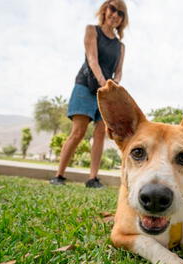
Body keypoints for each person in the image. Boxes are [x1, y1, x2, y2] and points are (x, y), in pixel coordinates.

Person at [50, 0, 128, 188]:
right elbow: (92, 60)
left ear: (123, 19)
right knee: (78, 132)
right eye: (113, 9)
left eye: (120, 13)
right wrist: (104, 83)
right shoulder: (92, 30)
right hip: (86, 85)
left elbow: (119, 71)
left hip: (105, 92)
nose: (115, 15)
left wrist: (114, 87)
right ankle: (59, 175)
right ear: (105, 10)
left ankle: (92, 178)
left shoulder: (121, 46)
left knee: (101, 133)